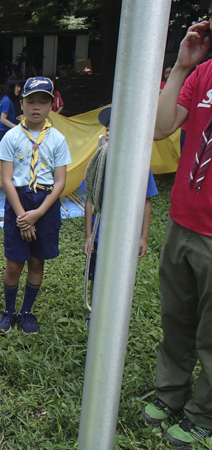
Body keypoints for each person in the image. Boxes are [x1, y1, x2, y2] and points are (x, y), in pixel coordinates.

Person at [140, 17, 212, 449]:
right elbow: (159, 127)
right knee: (177, 318)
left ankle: (203, 414)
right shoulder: (203, 72)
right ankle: (171, 394)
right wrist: (182, 67)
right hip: (183, 220)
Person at [0, 77, 72, 335]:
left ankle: (26, 311)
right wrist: (22, 216)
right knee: (14, 263)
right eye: (31, 101)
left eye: (43, 101)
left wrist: (38, 214)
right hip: (19, 201)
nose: (36, 107)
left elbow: (60, 182)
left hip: (45, 204)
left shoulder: (58, 139)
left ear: (51, 105)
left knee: (37, 262)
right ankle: (9, 311)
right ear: (22, 103)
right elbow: (6, 180)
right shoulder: (12, 137)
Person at [81, 106, 158, 327]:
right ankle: (94, 312)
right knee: (96, 273)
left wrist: (143, 236)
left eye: (118, 128)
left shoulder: (141, 164)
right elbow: (90, 199)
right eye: (108, 128)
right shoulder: (99, 160)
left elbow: (146, 201)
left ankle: (116, 312)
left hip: (126, 234)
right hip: (99, 233)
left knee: (121, 273)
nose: (110, 132)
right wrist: (88, 235)